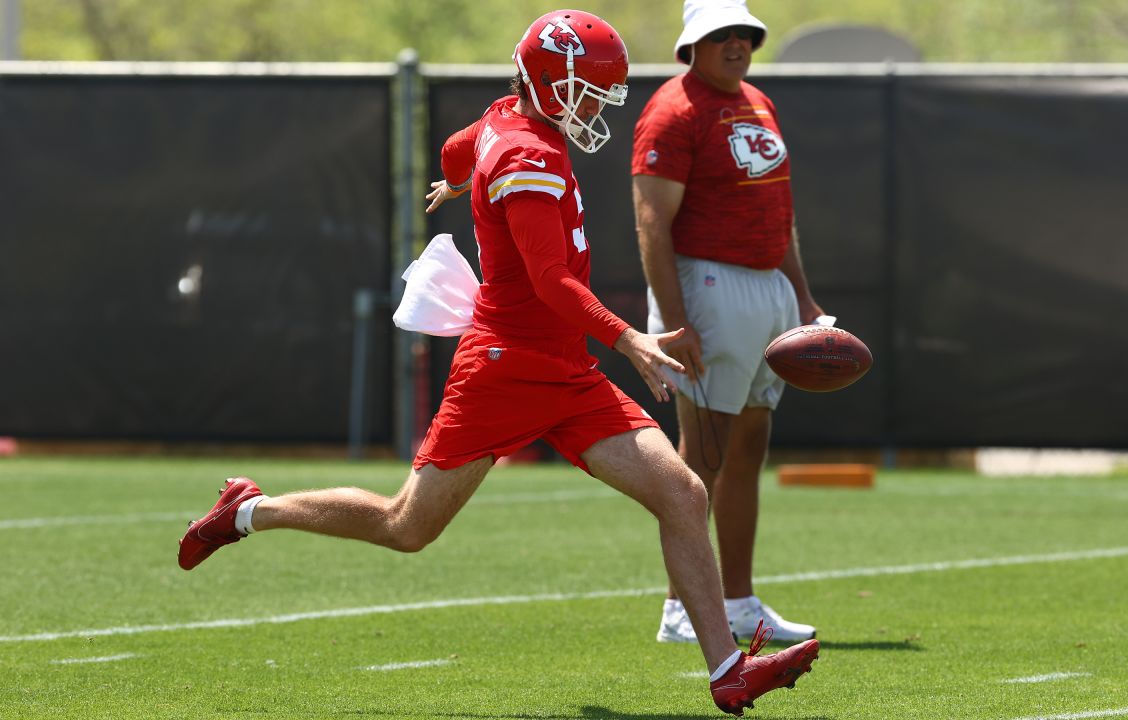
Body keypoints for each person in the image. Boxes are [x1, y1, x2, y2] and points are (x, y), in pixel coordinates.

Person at [177, 9, 817, 715]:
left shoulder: (507, 119)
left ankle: (727, 671)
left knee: (682, 493)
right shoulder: (527, 157)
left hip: (564, 368)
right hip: (504, 369)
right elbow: (552, 281)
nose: (596, 107)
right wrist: (629, 337)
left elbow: (458, 149)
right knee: (406, 528)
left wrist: (457, 184)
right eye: (588, 92)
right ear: (549, 83)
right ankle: (249, 511)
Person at [631, 0, 823, 642]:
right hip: (708, 283)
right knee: (704, 451)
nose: (736, 43)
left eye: (745, 32)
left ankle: (737, 601)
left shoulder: (757, 101)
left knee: (749, 445)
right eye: (721, 34)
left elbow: (778, 210)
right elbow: (652, 223)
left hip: (766, 286)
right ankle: (682, 608)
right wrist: (677, 321)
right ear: (693, 44)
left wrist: (802, 296)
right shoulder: (672, 110)